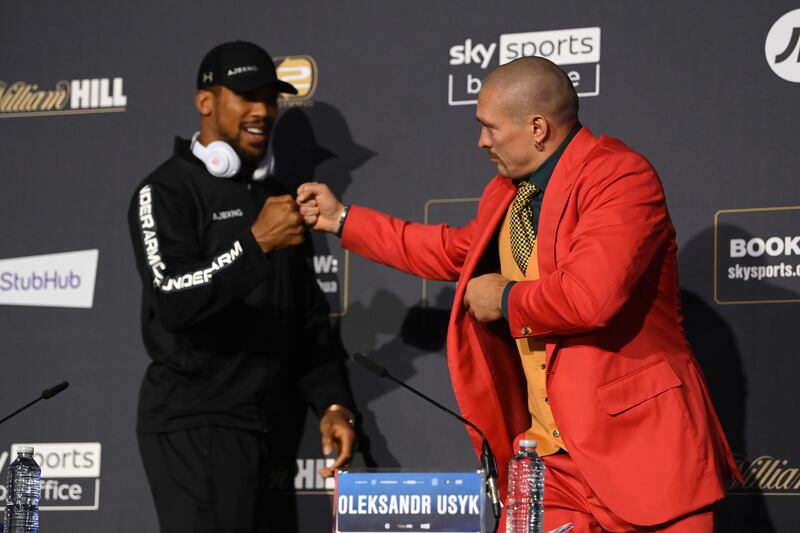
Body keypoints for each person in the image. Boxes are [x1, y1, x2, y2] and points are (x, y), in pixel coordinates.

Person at [297, 57, 739, 532]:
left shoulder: (620, 177)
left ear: (537, 128)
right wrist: (342, 219)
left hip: (639, 455)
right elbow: (452, 251)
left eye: (489, 127)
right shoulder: (508, 193)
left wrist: (504, 300)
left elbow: (589, 297)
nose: (481, 140)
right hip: (551, 466)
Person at [127, 40, 356, 533]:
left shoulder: (275, 200)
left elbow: (307, 321)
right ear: (205, 101)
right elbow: (172, 299)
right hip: (197, 424)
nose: (262, 111)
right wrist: (255, 245)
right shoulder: (164, 192)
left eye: (270, 99)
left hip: (271, 428)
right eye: (247, 96)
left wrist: (334, 403)